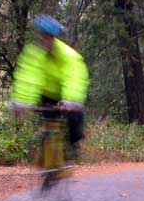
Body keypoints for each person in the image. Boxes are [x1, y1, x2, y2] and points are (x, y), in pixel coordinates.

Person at [10, 15, 89, 159]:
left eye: (47, 37)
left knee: (74, 121)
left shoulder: (68, 55)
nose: (43, 39)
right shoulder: (33, 54)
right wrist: (21, 102)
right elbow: (27, 78)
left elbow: (74, 78)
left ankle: (72, 147)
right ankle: (49, 161)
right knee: (48, 125)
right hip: (47, 95)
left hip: (65, 96)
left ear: (53, 38)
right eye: (41, 36)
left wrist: (70, 100)